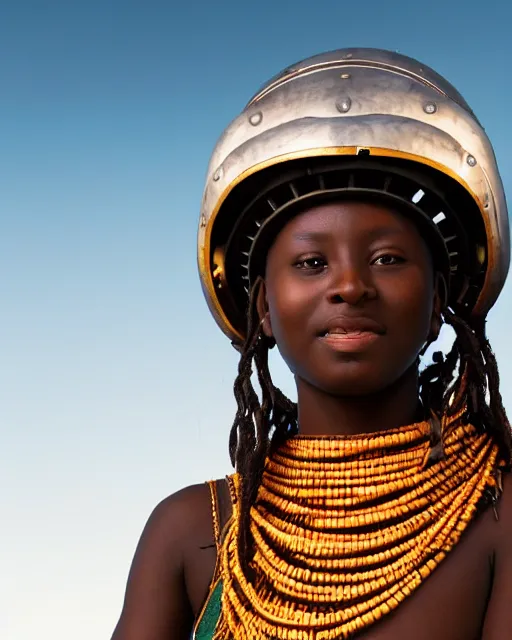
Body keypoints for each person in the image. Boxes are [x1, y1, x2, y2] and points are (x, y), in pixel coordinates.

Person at [111, 48, 512, 640]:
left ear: (435, 307)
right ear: (265, 310)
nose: (350, 285)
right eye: (312, 262)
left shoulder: (498, 512)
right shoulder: (192, 532)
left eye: (387, 259)